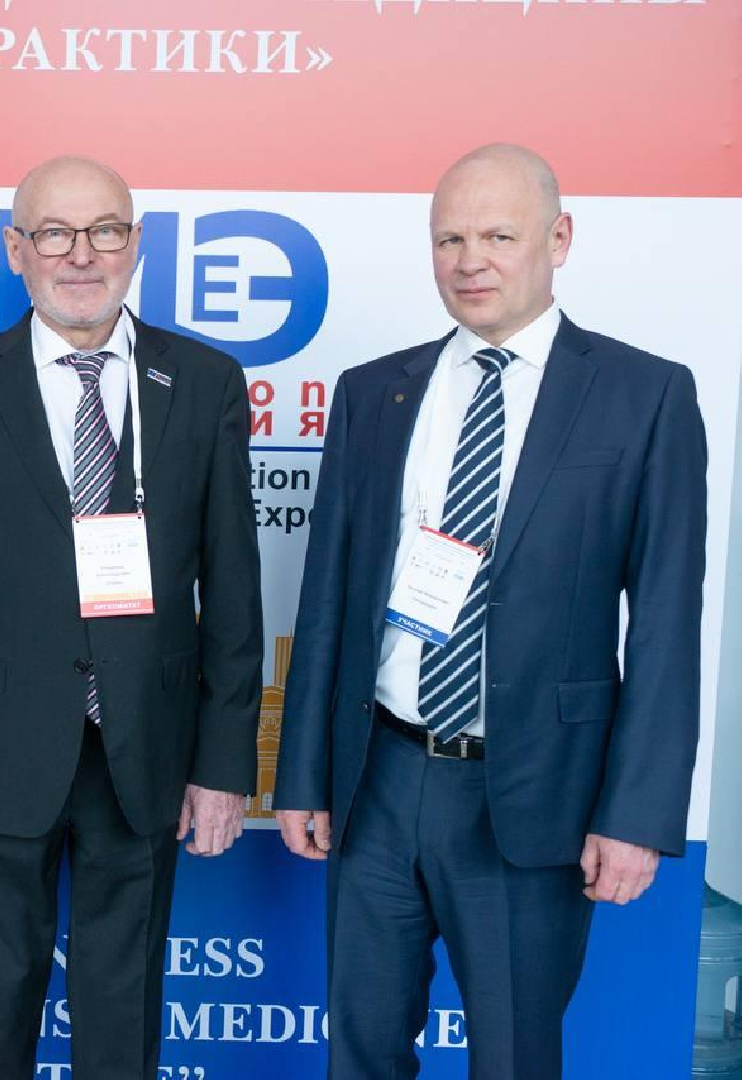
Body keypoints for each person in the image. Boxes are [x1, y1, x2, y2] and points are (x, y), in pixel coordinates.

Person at [274, 144, 706, 1079]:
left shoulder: (644, 396)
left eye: (498, 237)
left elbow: (667, 626)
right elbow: (328, 602)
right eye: (449, 240)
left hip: (534, 794)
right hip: (378, 779)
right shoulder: (373, 392)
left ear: (558, 239)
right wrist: (302, 775)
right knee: (359, 1052)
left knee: (512, 1058)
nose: (469, 262)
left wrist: (635, 815)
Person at [0, 155, 264, 1077]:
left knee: (123, 1014)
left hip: (146, 751)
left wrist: (221, 763)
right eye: (54, 232)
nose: (80, 254)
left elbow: (234, 589)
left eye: (104, 231)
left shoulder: (204, 381)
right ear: (16, 249)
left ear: (137, 244)